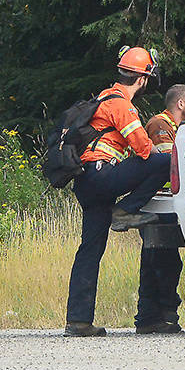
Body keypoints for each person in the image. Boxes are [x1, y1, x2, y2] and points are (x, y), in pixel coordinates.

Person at [64, 46, 170, 337]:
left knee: (90, 249)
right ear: (143, 79)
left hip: (87, 182)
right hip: (101, 175)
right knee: (165, 161)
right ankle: (124, 211)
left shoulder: (103, 97)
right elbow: (143, 149)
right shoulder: (122, 104)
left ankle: (78, 321)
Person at [134, 83, 185, 334]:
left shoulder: (177, 128)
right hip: (157, 204)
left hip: (164, 202)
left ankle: (156, 316)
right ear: (180, 103)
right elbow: (169, 162)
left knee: (162, 260)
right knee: (159, 260)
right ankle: (153, 317)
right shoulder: (160, 126)